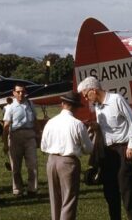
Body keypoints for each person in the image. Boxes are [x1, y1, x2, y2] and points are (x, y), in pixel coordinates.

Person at [78, 76, 132, 220]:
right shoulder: (98, 107)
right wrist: (95, 127)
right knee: (109, 191)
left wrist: (131, 146)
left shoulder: (116, 99)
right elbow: (105, 128)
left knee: (126, 190)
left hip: (122, 149)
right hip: (107, 152)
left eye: (86, 95)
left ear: (93, 90)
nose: (86, 99)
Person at [40, 91, 93, 220]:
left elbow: (43, 146)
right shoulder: (77, 124)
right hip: (68, 162)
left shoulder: (51, 122)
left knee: (55, 198)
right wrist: (90, 135)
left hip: (52, 160)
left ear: (62, 104)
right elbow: (88, 149)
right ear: (75, 107)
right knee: (69, 199)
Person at [2, 84, 40, 197]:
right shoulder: (10, 107)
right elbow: (6, 126)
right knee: (15, 167)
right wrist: (5, 143)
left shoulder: (30, 104)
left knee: (32, 164)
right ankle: (17, 190)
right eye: (18, 92)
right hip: (15, 136)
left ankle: (32, 189)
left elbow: (35, 120)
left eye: (22, 91)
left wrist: (39, 135)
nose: (20, 94)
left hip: (29, 136)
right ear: (13, 93)